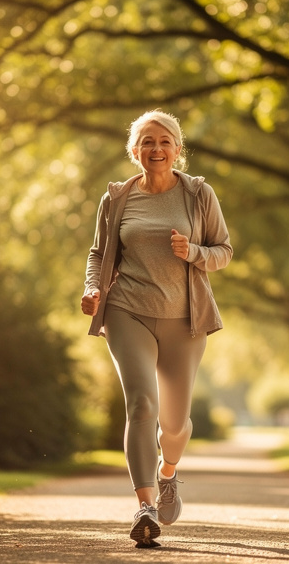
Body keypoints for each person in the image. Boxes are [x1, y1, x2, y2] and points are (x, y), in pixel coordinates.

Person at [80, 109, 232, 548]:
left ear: (178, 150)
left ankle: (168, 472)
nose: (156, 149)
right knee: (142, 406)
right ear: (134, 151)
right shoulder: (116, 198)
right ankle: (145, 506)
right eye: (147, 141)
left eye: (164, 141)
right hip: (128, 311)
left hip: (186, 320)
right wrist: (93, 290)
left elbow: (224, 249)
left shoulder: (199, 195)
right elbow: (97, 253)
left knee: (175, 424)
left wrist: (195, 253)